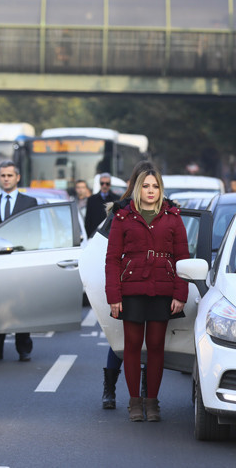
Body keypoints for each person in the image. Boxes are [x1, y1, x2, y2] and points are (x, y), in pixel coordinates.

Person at [105, 168, 189, 422]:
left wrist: (180, 293)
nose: (150, 191)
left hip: (163, 289)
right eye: (145, 186)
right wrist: (114, 296)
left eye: (155, 186)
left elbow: (183, 258)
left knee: (156, 346)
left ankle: (152, 402)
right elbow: (112, 259)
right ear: (137, 188)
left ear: (160, 189)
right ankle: (134, 402)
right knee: (132, 346)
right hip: (131, 289)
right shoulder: (123, 217)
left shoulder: (173, 217)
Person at [99, 160, 156, 411]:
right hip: (126, 283)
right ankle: (111, 388)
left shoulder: (163, 208)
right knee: (123, 339)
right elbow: (108, 250)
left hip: (152, 282)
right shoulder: (119, 210)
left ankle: (142, 390)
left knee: (146, 341)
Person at [0, 160, 38, 362]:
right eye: (3, 175)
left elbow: (35, 233)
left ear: (17, 177)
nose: (6, 179)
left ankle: (23, 347)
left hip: (20, 261)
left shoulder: (29, 202)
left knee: (21, 304)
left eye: (9, 175)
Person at [85, 173, 120, 237]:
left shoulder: (117, 199)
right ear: (100, 184)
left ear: (110, 184)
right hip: (94, 234)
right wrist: (89, 236)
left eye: (107, 184)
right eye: (102, 183)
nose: (104, 186)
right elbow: (88, 220)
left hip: (111, 234)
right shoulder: (91, 199)